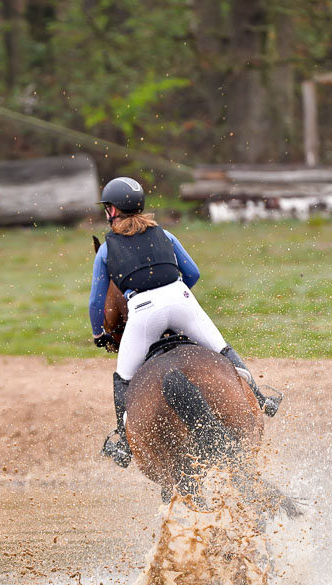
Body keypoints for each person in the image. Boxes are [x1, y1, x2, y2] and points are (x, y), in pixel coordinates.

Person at [89, 176, 281, 468]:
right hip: (181, 300)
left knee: (123, 380)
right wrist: (176, 298)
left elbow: (95, 301)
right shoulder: (165, 235)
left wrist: (98, 333)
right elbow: (193, 273)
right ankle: (260, 397)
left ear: (112, 210)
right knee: (224, 352)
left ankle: (125, 444)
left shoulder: (106, 249)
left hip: (142, 312)